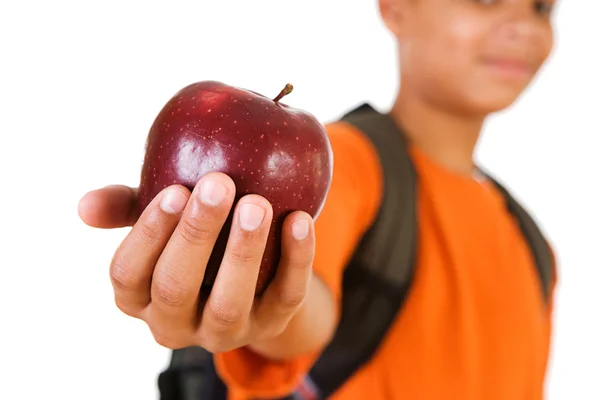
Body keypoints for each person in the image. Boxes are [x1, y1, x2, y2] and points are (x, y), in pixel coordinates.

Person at [77, 0, 559, 399]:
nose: (523, 25)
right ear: (395, 8)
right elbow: (305, 310)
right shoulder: (349, 161)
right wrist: (261, 320)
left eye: (543, 7)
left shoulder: (534, 243)